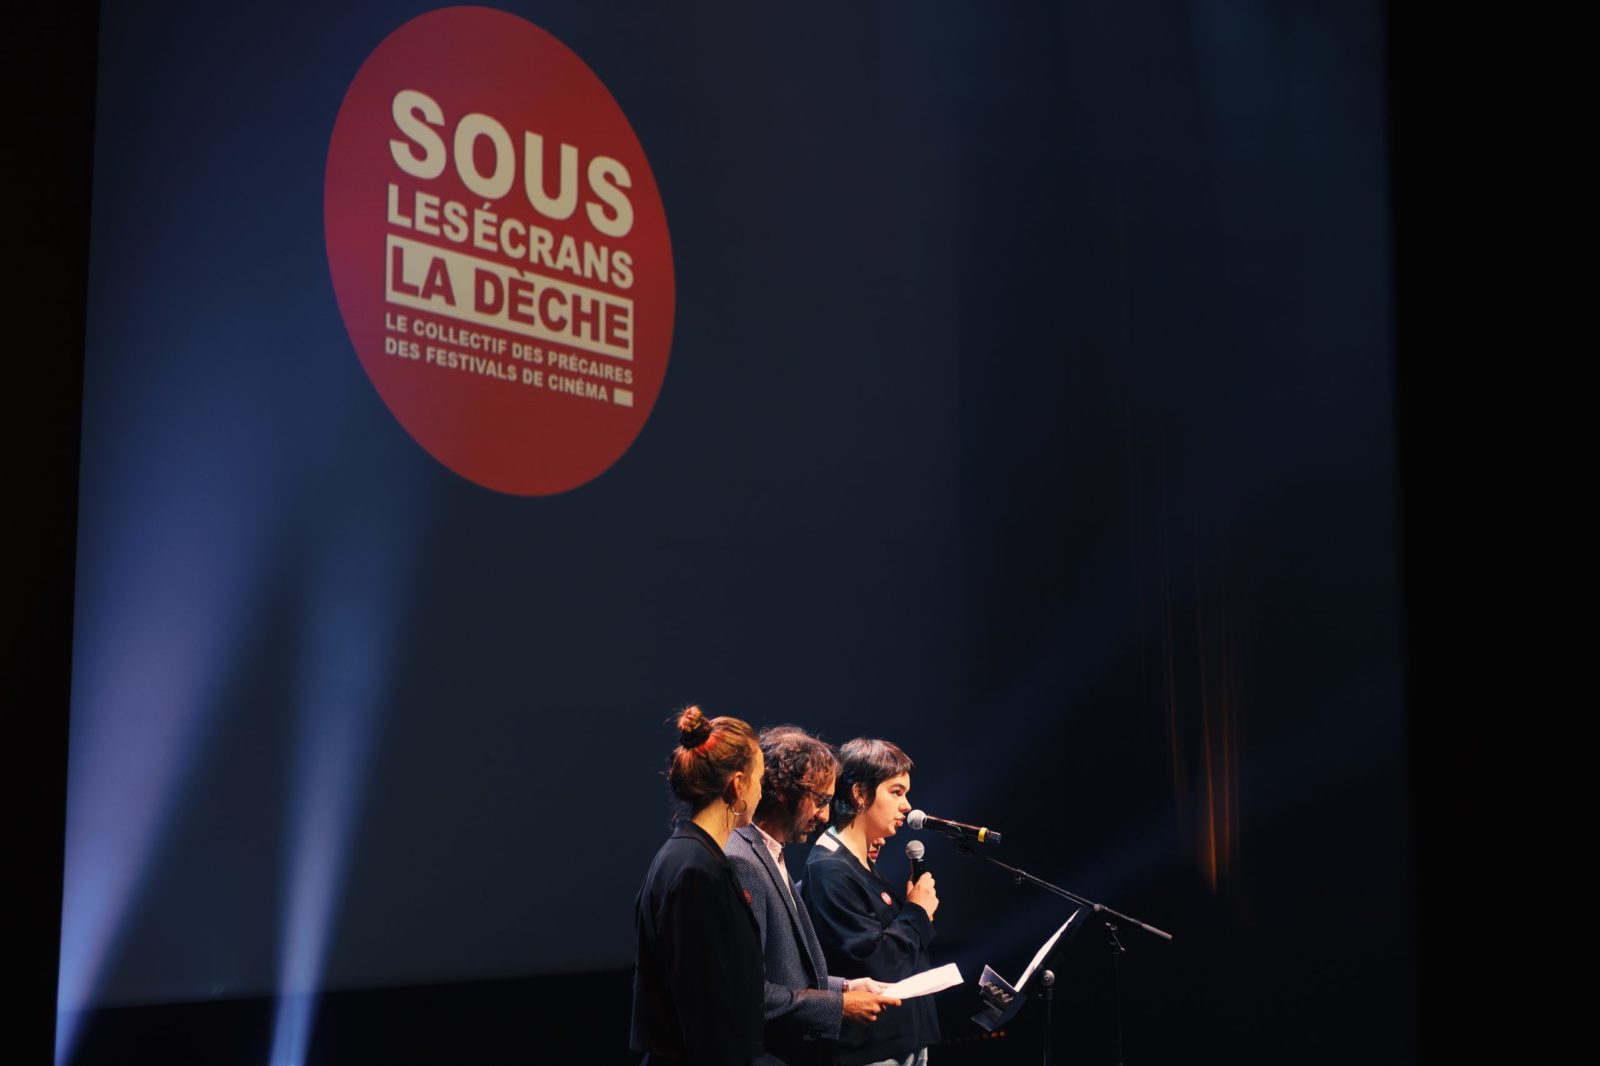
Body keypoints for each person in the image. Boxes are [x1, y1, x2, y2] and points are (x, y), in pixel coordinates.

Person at [727, 727, 902, 1065]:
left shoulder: (769, 855)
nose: (824, 816)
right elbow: (748, 992)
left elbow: (789, 974)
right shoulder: (741, 860)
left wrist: (844, 987)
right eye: (820, 801)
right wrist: (839, 1006)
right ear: (782, 791)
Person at [631, 706, 768, 1065]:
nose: (760, 792)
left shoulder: (693, 859)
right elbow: (707, 1011)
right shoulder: (695, 870)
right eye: (759, 780)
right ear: (738, 784)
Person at [801, 739, 940, 1066]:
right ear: (860, 794)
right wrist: (917, 912)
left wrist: (918, 916)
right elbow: (874, 962)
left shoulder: (860, 864)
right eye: (896, 792)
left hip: (901, 1043)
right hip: (871, 1052)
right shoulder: (830, 870)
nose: (907, 805)